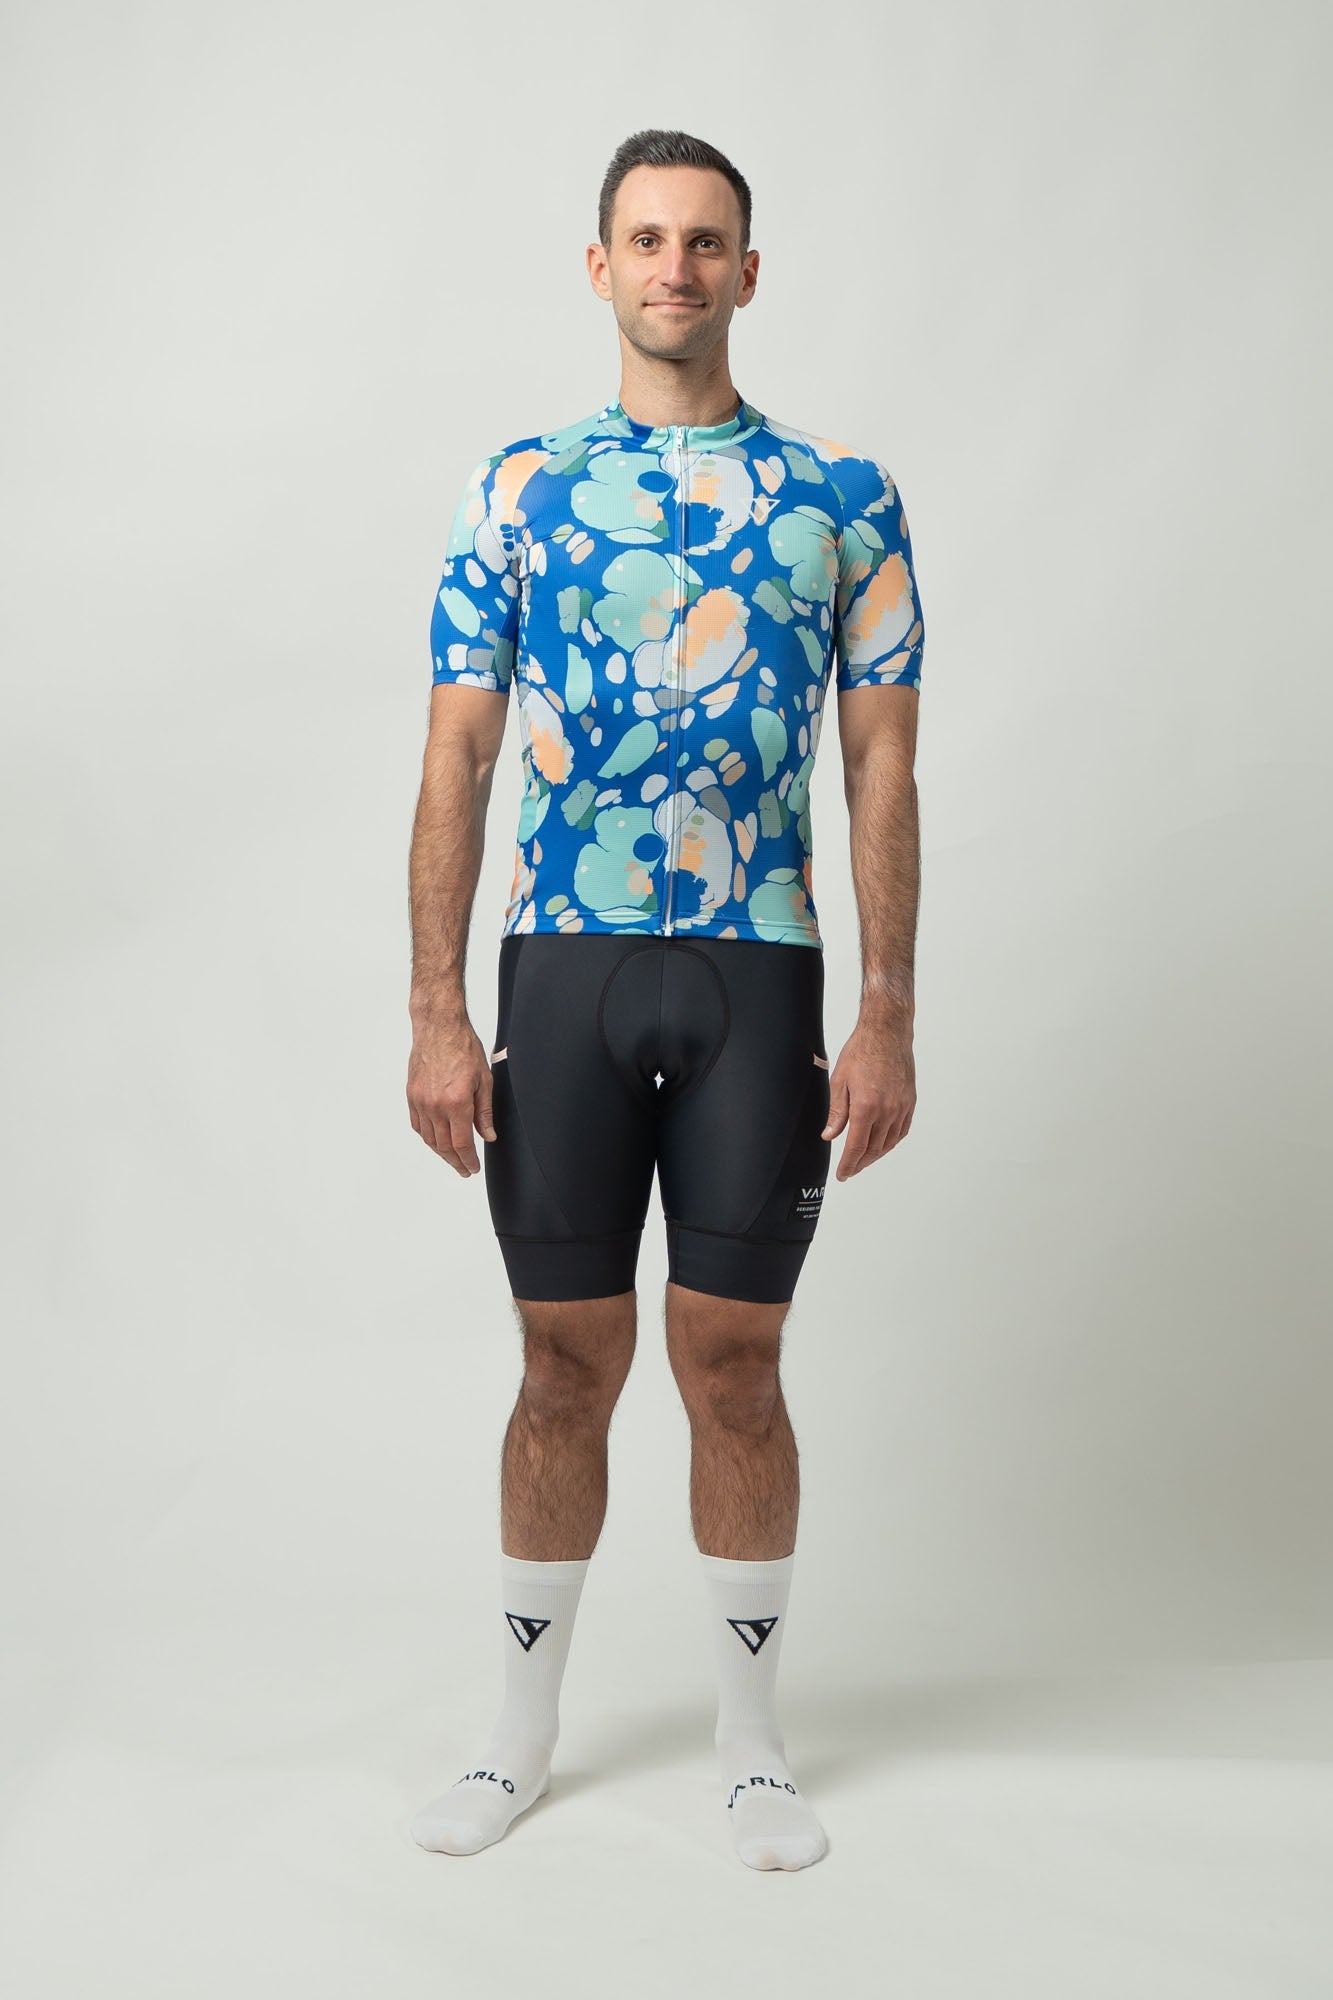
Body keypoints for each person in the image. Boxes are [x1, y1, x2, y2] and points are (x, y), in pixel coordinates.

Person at [405, 128, 923, 1872]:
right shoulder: (519, 488)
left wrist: (887, 1012)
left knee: (735, 1362)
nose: (676, 268)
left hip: (756, 965)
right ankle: (516, 1738)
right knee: (563, 1362)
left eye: (705, 242)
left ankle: (752, 1745)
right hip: (562, 960)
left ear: (747, 274)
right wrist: (434, 1008)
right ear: (600, 267)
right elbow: (457, 756)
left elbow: (879, 766)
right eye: (646, 239)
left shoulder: (841, 496)